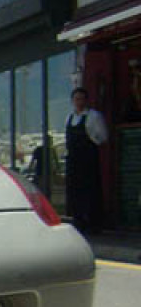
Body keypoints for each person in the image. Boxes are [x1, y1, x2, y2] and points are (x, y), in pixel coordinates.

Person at [64, 87, 107, 233]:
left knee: (90, 192)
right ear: (72, 101)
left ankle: (93, 224)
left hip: (88, 161)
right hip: (73, 161)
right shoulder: (69, 117)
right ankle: (78, 221)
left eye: (81, 99)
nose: (79, 102)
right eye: (76, 99)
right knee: (74, 192)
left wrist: (92, 138)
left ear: (86, 100)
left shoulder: (94, 116)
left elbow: (102, 137)